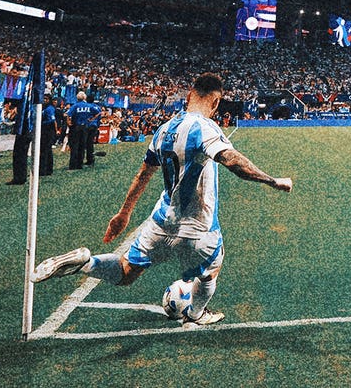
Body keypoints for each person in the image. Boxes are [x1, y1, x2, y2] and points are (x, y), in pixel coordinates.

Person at [33, 74, 293, 328]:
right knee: (211, 269)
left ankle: (85, 263)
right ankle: (197, 313)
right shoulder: (205, 127)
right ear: (215, 103)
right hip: (197, 228)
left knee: (125, 272)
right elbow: (232, 161)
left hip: (160, 223)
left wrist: (124, 213)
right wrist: (272, 180)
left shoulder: (163, 129)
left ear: (189, 95)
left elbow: (143, 175)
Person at [66, 91, 99, 170]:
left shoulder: (75, 106)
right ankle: (79, 164)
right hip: (85, 127)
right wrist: (91, 119)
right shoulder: (88, 106)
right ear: (84, 98)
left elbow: (68, 114)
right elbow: (98, 113)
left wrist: (68, 122)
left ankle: (73, 165)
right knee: (82, 146)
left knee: (74, 146)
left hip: (76, 127)